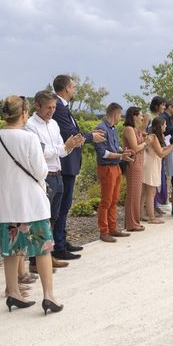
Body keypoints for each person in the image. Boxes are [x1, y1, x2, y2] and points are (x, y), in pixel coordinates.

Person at [0, 95, 63, 315]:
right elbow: (40, 171)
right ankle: (49, 297)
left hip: (5, 202)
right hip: (31, 202)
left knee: (11, 251)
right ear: (24, 114)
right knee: (42, 250)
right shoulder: (28, 138)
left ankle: (13, 293)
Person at [25, 90, 85, 264]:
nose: (51, 111)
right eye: (48, 107)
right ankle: (35, 261)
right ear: (37, 106)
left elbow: (61, 151)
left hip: (57, 174)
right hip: (44, 177)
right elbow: (39, 154)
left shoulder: (53, 125)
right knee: (40, 219)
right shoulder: (31, 126)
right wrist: (64, 148)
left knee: (53, 217)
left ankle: (47, 256)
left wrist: (71, 145)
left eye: (53, 107)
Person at [51, 75, 106, 261]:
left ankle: (61, 241)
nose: (75, 90)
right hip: (65, 163)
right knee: (61, 207)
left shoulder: (62, 107)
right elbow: (70, 134)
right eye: (73, 87)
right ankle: (58, 245)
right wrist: (91, 137)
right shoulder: (58, 107)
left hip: (68, 163)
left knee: (64, 206)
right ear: (66, 88)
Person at [93, 103, 134, 243]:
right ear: (115, 114)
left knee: (114, 199)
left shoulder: (113, 129)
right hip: (106, 168)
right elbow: (102, 153)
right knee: (106, 200)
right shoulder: (100, 129)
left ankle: (113, 228)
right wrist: (120, 156)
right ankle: (104, 231)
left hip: (115, 167)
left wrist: (123, 152)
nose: (120, 118)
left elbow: (115, 147)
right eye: (120, 115)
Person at [142, 116, 173, 224]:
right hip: (152, 165)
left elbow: (160, 150)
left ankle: (141, 214)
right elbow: (161, 154)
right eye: (164, 124)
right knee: (151, 191)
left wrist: (171, 147)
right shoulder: (154, 137)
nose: (166, 126)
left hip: (150, 163)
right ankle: (151, 217)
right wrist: (172, 147)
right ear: (160, 126)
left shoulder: (153, 136)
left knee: (144, 192)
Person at [123, 107, 148, 232]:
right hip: (133, 163)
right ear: (134, 116)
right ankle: (131, 223)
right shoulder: (129, 129)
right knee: (133, 193)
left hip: (138, 163)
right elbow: (135, 147)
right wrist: (145, 143)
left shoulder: (135, 129)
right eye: (140, 115)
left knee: (136, 193)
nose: (142, 117)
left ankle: (134, 222)